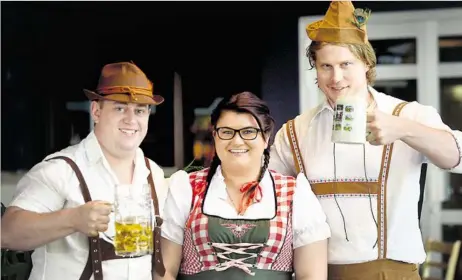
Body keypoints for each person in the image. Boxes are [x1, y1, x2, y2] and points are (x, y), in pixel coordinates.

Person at [269, 2, 462, 280]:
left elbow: (458, 157)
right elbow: (269, 195)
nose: (336, 78)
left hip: (391, 273)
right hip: (317, 272)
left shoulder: (407, 114)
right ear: (316, 68)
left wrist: (404, 129)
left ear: (367, 63)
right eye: (326, 66)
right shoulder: (295, 131)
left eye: (346, 64)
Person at [1, 61, 169, 280]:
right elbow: (7, 233)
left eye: (140, 110)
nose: (131, 119)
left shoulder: (153, 174)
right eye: (119, 108)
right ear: (96, 111)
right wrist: (72, 219)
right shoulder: (60, 169)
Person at [156, 92, 331, 280]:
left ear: (265, 137)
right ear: (215, 136)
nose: (237, 141)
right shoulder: (186, 188)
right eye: (226, 132)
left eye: (248, 131)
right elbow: (165, 272)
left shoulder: (294, 194)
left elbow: (311, 276)